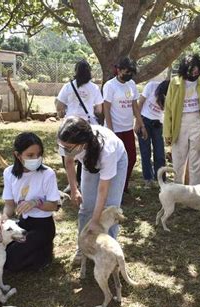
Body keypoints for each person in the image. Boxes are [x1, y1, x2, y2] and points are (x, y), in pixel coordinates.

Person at [0, 132, 60, 272]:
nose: (36, 159)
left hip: (42, 226)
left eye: (39, 154)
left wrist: (35, 203)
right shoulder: (9, 173)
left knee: (11, 259)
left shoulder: (47, 174)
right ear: (18, 155)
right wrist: (4, 217)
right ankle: (35, 250)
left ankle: (44, 252)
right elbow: (9, 205)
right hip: (22, 224)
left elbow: (53, 205)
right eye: (30, 155)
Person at [58, 116, 127, 263]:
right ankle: (84, 247)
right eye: (63, 146)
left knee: (110, 209)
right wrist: (74, 189)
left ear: (82, 144)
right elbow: (69, 162)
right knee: (86, 206)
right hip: (89, 162)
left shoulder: (107, 151)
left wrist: (95, 221)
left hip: (117, 160)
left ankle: (109, 251)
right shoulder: (67, 142)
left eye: (68, 148)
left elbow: (103, 189)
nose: (64, 150)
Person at [163, 54, 200, 185]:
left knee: (197, 161)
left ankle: (195, 195)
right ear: (185, 69)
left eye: (197, 69)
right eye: (192, 70)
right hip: (180, 123)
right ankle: (177, 191)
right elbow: (169, 109)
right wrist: (167, 132)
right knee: (178, 159)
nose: (195, 72)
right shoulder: (175, 82)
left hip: (199, 121)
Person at [56, 59, 104, 192]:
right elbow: (99, 110)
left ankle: (72, 183)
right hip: (86, 126)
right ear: (89, 72)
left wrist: (66, 109)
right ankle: (81, 181)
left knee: (67, 154)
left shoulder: (68, 86)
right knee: (85, 154)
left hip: (70, 125)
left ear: (75, 71)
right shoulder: (94, 88)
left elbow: (59, 105)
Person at [103, 56, 146, 192]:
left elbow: (134, 106)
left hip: (127, 128)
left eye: (131, 73)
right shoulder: (110, 85)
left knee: (131, 158)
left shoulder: (131, 84)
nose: (129, 75)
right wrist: (110, 131)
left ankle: (123, 185)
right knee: (115, 160)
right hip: (114, 129)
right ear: (119, 70)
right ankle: (113, 187)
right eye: (127, 72)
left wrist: (141, 124)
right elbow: (106, 108)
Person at [137, 80, 170, 187]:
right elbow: (140, 102)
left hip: (158, 124)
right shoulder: (151, 86)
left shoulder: (172, 93)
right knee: (145, 152)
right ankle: (148, 179)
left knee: (160, 153)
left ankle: (161, 179)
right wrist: (138, 123)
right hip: (144, 120)